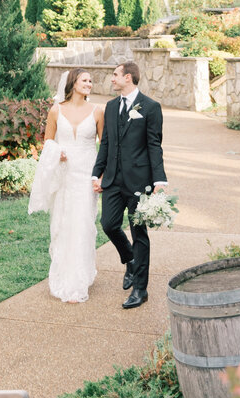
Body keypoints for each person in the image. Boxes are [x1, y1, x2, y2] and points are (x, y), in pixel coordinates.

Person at [92, 61, 166, 310]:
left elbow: (154, 145)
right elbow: (106, 144)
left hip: (139, 182)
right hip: (113, 180)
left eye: (115, 75)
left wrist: (159, 180)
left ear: (128, 77)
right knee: (109, 224)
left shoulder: (151, 107)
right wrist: (97, 174)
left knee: (139, 234)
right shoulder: (111, 107)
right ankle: (130, 261)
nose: (111, 79)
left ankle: (140, 290)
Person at [28, 69, 105, 303]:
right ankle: (63, 275)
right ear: (73, 83)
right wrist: (57, 153)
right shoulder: (56, 110)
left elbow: (106, 146)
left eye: (91, 81)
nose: (89, 84)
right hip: (65, 175)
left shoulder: (98, 111)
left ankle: (79, 281)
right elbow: (47, 142)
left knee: (82, 223)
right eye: (85, 80)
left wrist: (101, 177)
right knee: (63, 223)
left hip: (86, 174)